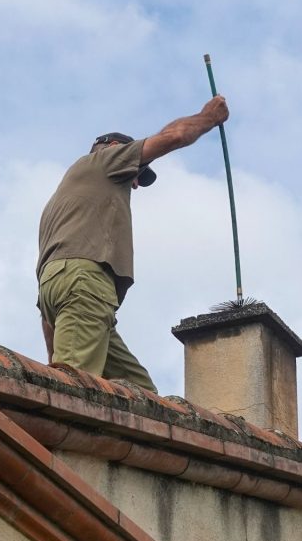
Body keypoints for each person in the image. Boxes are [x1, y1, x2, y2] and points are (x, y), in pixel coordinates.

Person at [36, 96, 230, 392]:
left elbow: (51, 309)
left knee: (146, 399)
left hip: (67, 294)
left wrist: (53, 361)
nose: (136, 183)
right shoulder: (104, 162)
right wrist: (209, 118)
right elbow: (173, 137)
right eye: (137, 173)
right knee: (71, 392)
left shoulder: (67, 201)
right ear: (116, 150)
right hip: (86, 289)